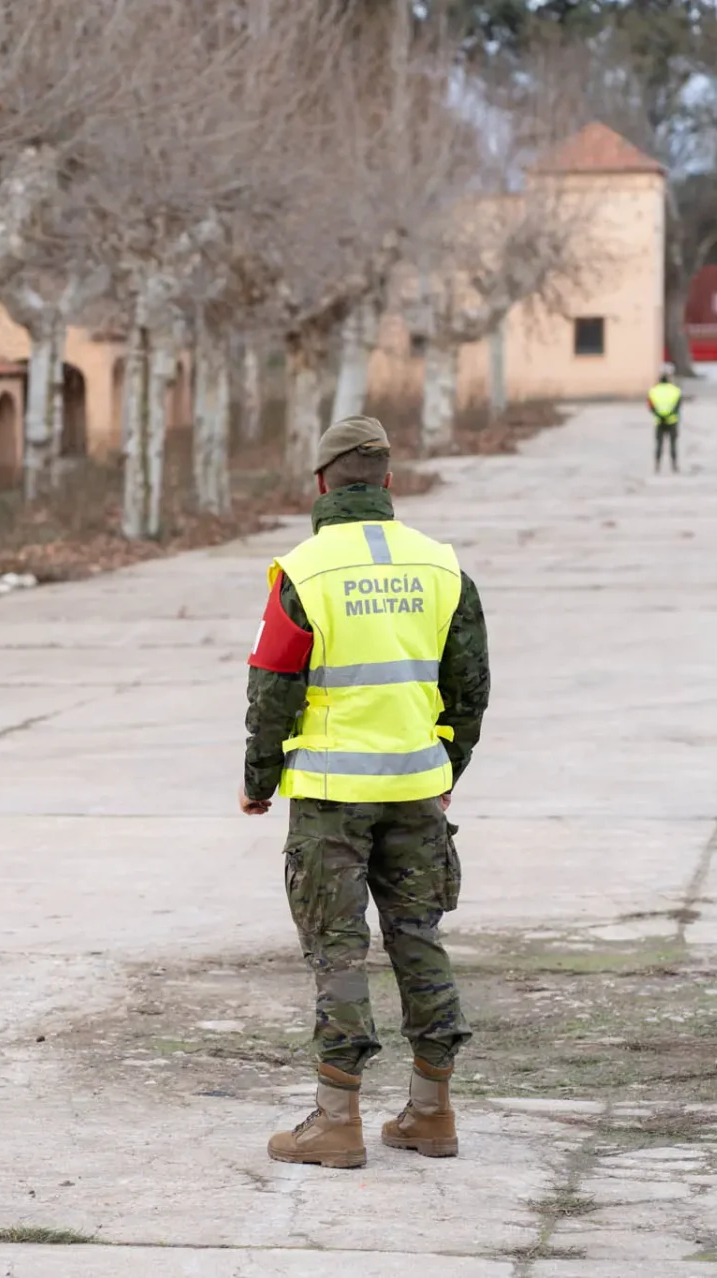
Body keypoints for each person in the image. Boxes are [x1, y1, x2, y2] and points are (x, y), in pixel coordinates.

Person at [240, 416, 490, 1169]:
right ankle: (430, 1113)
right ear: (387, 482)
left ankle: (335, 1121)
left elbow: (272, 688)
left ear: (320, 484)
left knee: (337, 950)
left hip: (328, 796)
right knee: (419, 938)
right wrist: (448, 767)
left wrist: (257, 780)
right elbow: (469, 688)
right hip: (417, 789)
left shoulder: (304, 572)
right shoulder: (442, 567)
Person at [648, 365, 682, 474]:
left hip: (659, 421)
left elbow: (650, 406)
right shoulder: (675, 390)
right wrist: (668, 415)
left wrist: (660, 415)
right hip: (672, 421)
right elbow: (678, 407)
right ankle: (674, 465)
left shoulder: (653, 391)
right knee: (673, 444)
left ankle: (657, 465)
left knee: (659, 444)